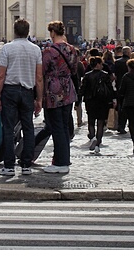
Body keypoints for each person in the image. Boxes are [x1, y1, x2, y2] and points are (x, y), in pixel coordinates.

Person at [0, 18, 43, 177]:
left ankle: (9, 166)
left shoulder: (7, 48)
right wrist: (39, 99)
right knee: (28, 129)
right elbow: (39, 77)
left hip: (10, 90)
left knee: (8, 128)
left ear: (14, 31)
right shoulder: (35, 49)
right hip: (28, 91)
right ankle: (26, 164)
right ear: (28, 32)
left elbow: (1, 75)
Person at [41, 20, 78, 174]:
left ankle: (60, 162)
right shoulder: (72, 50)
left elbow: (42, 71)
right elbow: (75, 70)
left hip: (54, 92)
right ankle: (63, 159)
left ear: (53, 33)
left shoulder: (49, 51)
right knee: (63, 126)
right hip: (68, 91)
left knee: (56, 127)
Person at [80, 55, 115, 155]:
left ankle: (93, 137)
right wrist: (113, 99)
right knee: (100, 123)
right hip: (102, 101)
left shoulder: (87, 75)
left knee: (91, 122)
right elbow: (110, 89)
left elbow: (82, 89)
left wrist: (78, 101)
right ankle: (97, 145)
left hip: (90, 101)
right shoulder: (105, 75)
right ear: (98, 64)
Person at [113, 45, 132, 135]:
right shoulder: (130, 62)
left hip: (119, 87)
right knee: (129, 107)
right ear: (128, 53)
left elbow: (114, 75)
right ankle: (126, 125)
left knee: (120, 107)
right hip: (129, 87)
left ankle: (120, 125)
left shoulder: (117, 62)